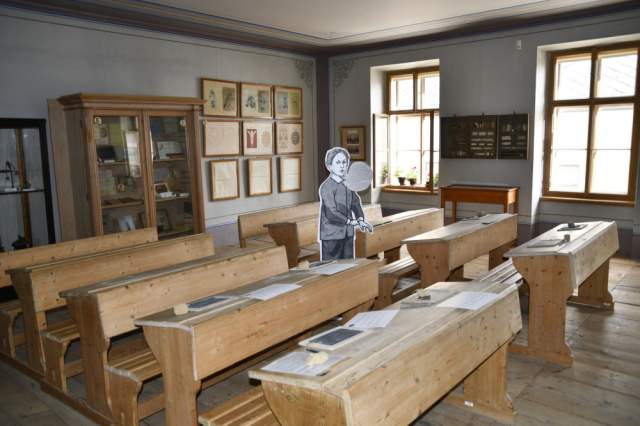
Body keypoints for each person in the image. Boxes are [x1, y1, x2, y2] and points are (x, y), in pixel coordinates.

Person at [319, 147, 372, 260]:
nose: (342, 166)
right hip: (331, 236)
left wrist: (360, 220)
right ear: (329, 166)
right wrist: (350, 221)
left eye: (344, 162)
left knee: (348, 265)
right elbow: (331, 212)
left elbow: (355, 202)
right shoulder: (326, 187)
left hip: (348, 233)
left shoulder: (348, 184)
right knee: (331, 267)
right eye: (338, 162)